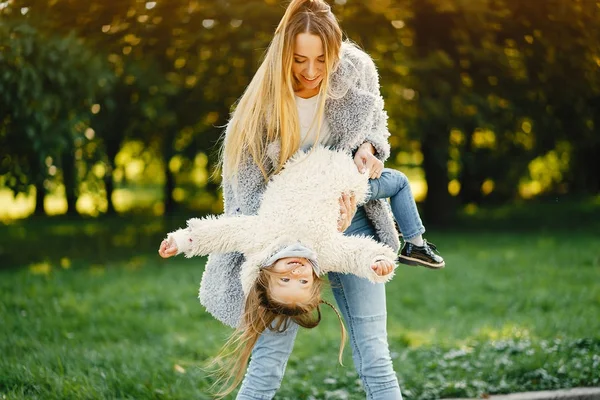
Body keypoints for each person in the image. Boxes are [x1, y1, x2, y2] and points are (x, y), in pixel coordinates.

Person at [179, 0, 443, 397]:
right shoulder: (260, 109)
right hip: (285, 242)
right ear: (284, 53)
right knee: (267, 361)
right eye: (300, 59)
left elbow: (374, 127)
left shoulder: (357, 73)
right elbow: (247, 198)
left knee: (374, 353)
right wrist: (273, 253)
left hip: (351, 227)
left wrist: (369, 148)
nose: (311, 71)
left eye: (323, 59)